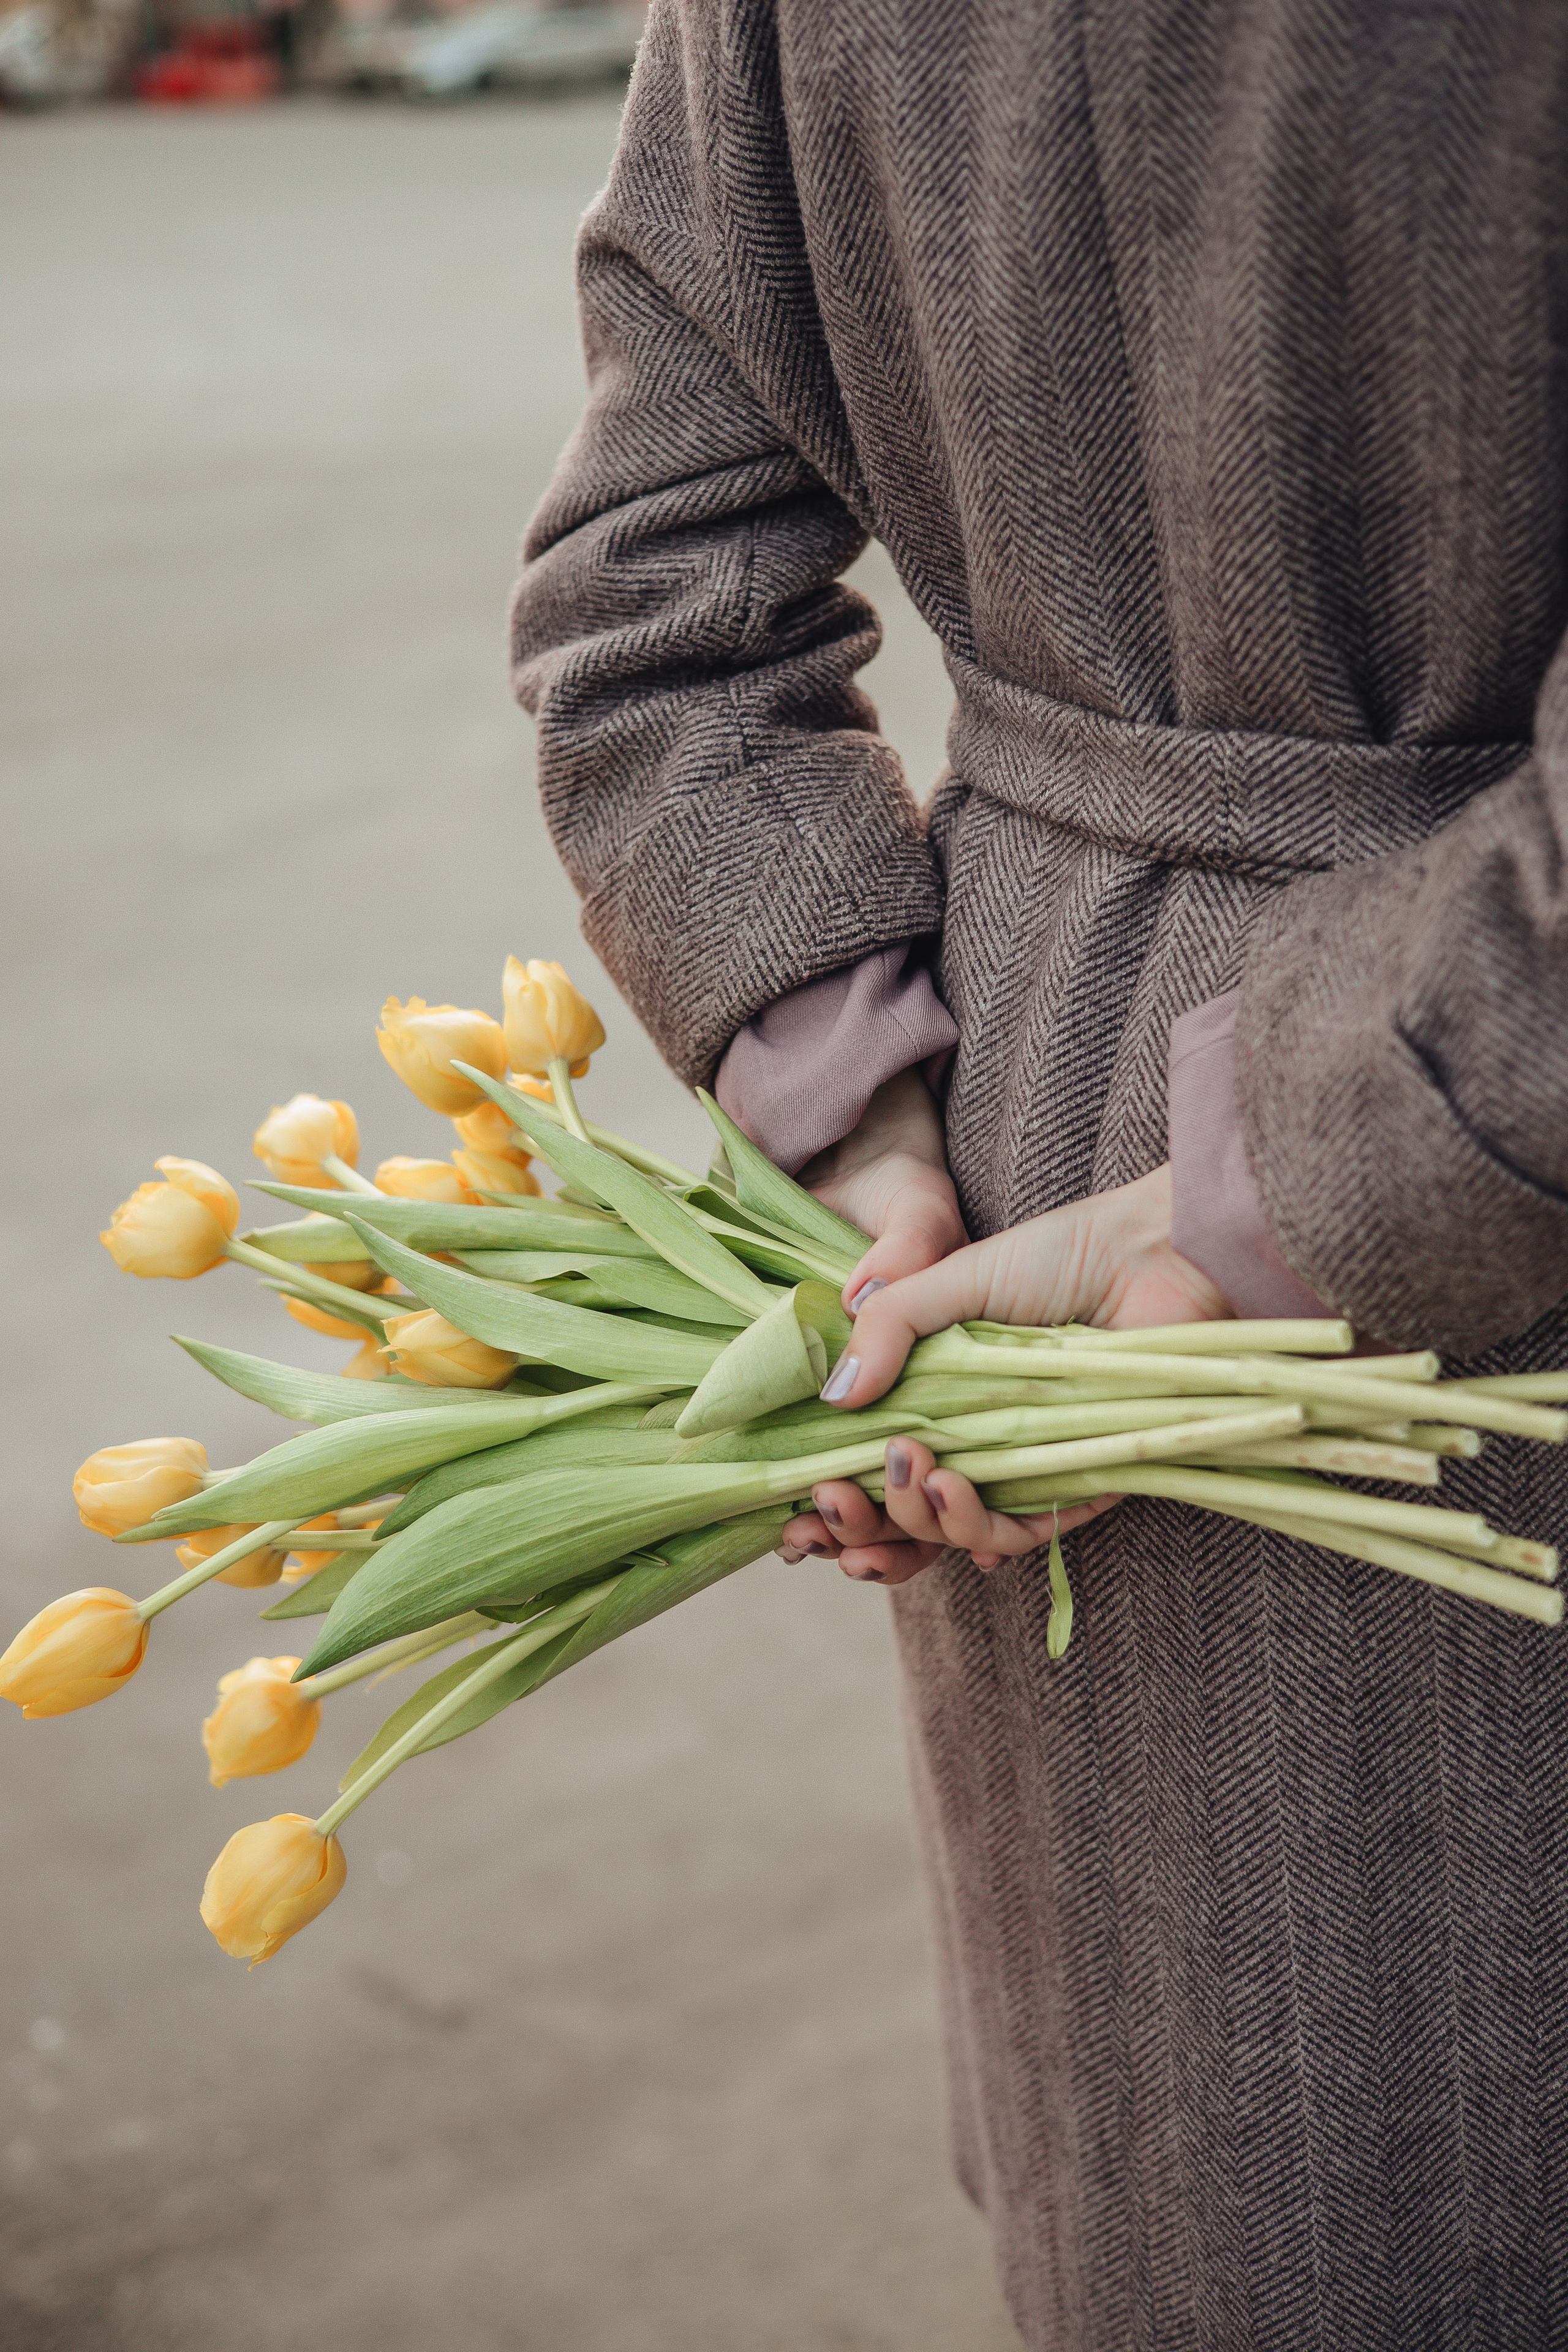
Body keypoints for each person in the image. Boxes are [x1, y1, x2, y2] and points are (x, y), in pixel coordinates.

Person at [511, 4, 1568, 2343]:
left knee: (1223, 2188)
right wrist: (1270, 1182)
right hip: (1463, 1118)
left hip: (1039, 1101)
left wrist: (866, 1129)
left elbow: (643, 600)